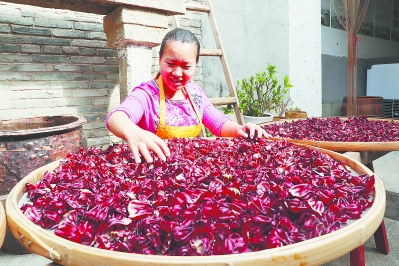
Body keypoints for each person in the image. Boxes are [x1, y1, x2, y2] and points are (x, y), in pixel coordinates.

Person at [106, 28, 269, 163]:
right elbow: (116, 117)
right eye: (170, 64)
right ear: (160, 60)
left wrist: (241, 129)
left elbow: (218, 123)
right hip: (151, 174)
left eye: (186, 66)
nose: (177, 73)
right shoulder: (147, 94)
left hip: (187, 172)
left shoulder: (195, 94)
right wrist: (131, 130)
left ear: (195, 65)